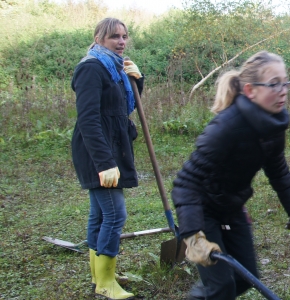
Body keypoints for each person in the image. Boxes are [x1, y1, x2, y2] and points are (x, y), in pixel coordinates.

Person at [171, 51, 290, 299]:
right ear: (250, 90)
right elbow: (185, 183)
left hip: (231, 207)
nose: (283, 90)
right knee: (221, 287)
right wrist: (193, 236)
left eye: (285, 82)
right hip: (202, 211)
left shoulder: (273, 124)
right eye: (273, 83)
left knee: (246, 278)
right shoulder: (225, 127)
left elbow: (277, 170)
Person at [71, 17, 142, 299]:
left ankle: (100, 274)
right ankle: (105, 282)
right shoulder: (91, 68)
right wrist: (104, 162)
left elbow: (122, 107)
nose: (122, 41)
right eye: (115, 36)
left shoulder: (115, 68)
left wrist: (137, 80)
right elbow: (88, 119)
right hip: (97, 150)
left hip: (113, 145)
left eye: (124, 36)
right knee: (115, 214)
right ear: (99, 38)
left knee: (99, 214)